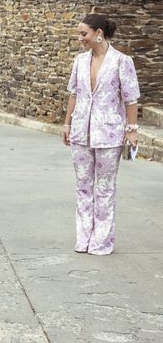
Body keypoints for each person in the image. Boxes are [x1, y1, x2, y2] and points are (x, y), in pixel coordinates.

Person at [62, 13, 140, 255]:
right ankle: (84, 237)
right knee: (83, 186)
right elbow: (74, 93)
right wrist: (66, 124)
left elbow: (131, 98)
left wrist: (132, 130)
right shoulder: (79, 61)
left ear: (99, 33)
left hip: (109, 134)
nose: (80, 38)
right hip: (80, 132)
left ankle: (102, 241)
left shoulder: (121, 61)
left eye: (83, 33)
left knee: (105, 188)